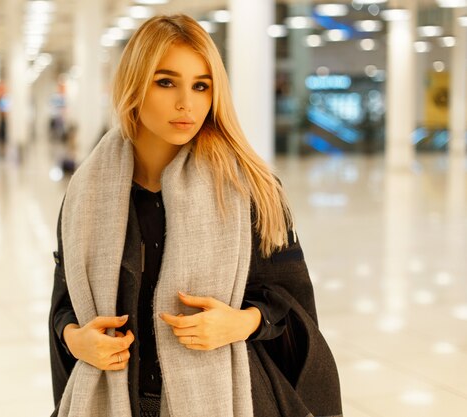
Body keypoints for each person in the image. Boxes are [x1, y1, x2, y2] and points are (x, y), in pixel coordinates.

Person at [49, 15, 341, 417]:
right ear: (135, 85)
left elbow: (291, 304)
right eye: (166, 82)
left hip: (227, 397)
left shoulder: (250, 189)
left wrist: (242, 324)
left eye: (201, 86)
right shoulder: (86, 193)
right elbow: (64, 305)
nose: (187, 102)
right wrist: (75, 340)